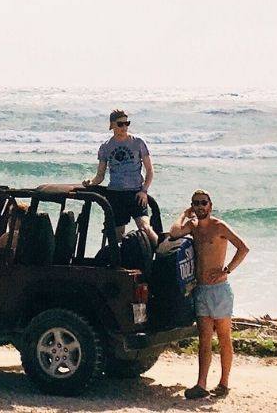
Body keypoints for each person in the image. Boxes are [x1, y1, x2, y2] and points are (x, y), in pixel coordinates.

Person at [163, 190, 248, 399]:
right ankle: (201, 384)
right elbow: (174, 233)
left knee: (224, 337)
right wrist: (184, 213)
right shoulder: (193, 227)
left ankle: (224, 383)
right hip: (200, 289)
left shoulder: (219, 226)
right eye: (196, 203)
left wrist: (226, 270)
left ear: (210, 205)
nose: (200, 206)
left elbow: (243, 248)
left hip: (219, 290)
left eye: (203, 203)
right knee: (204, 339)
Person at [81, 109, 156, 246]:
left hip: (135, 193)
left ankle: (163, 255)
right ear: (112, 125)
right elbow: (100, 175)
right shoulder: (106, 147)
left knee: (145, 228)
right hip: (115, 194)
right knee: (117, 236)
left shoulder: (138, 142)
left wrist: (144, 190)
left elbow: (150, 171)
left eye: (127, 123)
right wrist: (90, 182)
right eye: (120, 124)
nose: (124, 127)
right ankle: (120, 263)